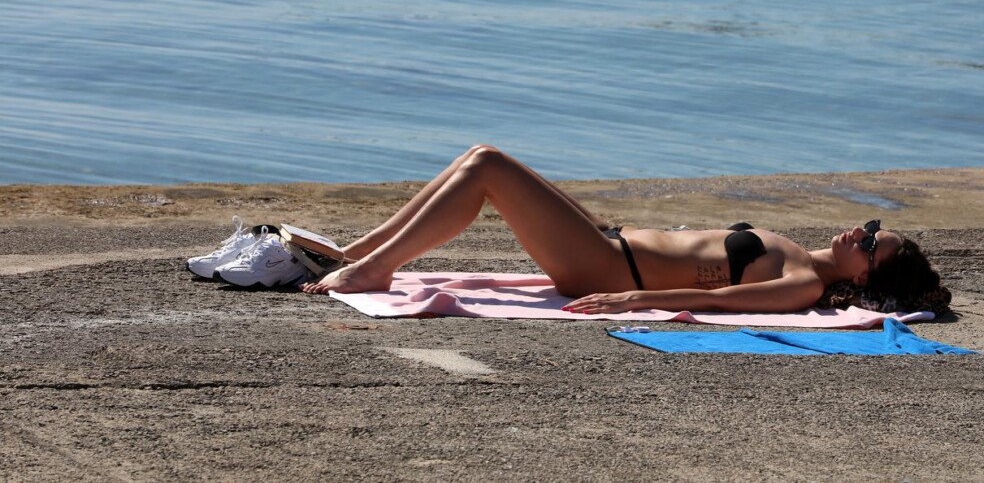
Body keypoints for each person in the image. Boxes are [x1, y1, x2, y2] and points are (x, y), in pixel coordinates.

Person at [301, 145, 950, 314]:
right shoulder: (800, 254)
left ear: (866, 277)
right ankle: (358, 253)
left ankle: (375, 269)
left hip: (610, 269)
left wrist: (631, 299)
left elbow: (713, 300)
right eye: (871, 227)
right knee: (480, 155)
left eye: (869, 245)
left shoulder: (801, 283)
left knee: (489, 169)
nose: (858, 233)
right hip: (610, 242)